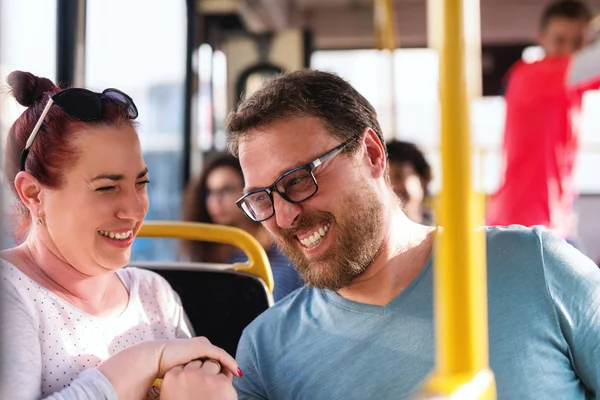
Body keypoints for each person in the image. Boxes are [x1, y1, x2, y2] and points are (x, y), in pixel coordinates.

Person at [225, 70, 600, 399]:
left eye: (297, 180)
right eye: (262, 199)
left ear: (372, 154)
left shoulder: (534, 264)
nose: (285, 216)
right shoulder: (264, 352)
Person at [0, 71, 241, 400]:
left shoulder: (155, 296)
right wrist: (145, 360)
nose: (134, 209)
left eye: (141, 183)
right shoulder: (12, 296)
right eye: (107, 187)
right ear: (33, 194)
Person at [487, 0, 600, 246]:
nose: (570, 50)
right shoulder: (529, 76)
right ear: (541, 38)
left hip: (559, 222)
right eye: (560, 41)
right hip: (520, 223)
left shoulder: (572, 85)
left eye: (579, 43)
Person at [181, 153, 303, 302]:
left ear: (251, 194)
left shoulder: (285, 253)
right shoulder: (198, 256)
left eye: (226, 190)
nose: (216, 201)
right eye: (210, 192)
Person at [386, 140, 434, 225]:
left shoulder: (447, 231)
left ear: (423, 180)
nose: (392, 186)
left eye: (398, 176)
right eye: (385, 179)